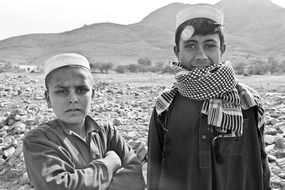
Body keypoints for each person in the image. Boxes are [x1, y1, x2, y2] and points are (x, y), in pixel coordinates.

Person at [147, 4, 271, 190]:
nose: (201, 55)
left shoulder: (248, 101)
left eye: (210, 45)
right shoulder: (165, 105)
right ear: (177, 51)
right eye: (190, 45)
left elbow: (261, 165)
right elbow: (154, 172)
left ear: (222, 49)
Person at [23, 53, 145, 190]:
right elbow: (58, 186)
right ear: (48, 98)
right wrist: (110, 164)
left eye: (81, 90)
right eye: (61, 91)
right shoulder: (38, 140)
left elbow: (136, 180)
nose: (73, 99)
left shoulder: (107, 133)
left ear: (92, 94)